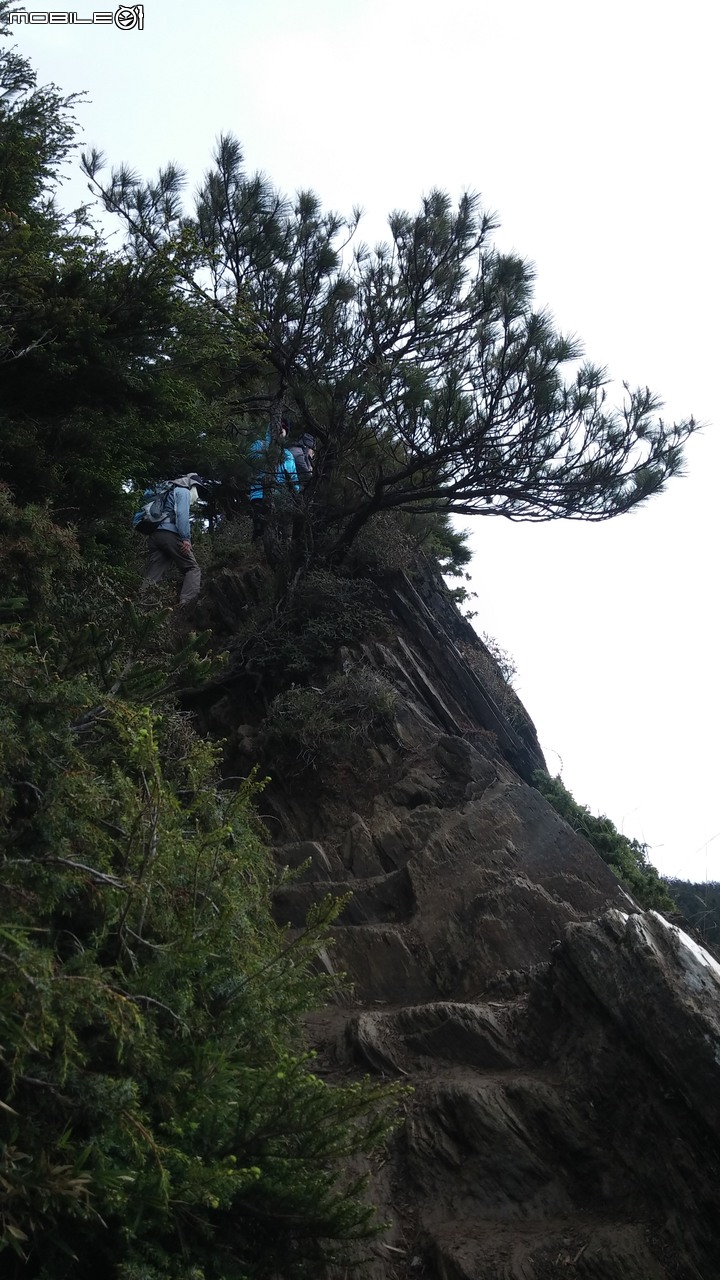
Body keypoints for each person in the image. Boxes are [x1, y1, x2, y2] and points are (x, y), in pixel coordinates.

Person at [140, 473, 205, 606]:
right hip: (170, 534)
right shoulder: (183, 491)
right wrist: (186, 538)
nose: (197, 493)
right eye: (197, 488)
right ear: (191, 484)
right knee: (192, 568)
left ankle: (142, 603)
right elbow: (182, 515)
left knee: (155, 572)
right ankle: (188, 603)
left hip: (155, 534)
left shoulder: (168, 490)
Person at [248, 423, 299, 542]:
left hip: (282, 498)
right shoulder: (259, 445)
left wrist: (294, 496)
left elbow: (294, 478)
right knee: (260, 531)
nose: (281, 430)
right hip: (259, 494)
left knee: (282, 536)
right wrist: (270, 455)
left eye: (285, 428)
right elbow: (250, 462)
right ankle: (255, 557)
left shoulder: (288, 454)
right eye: (279, 427)